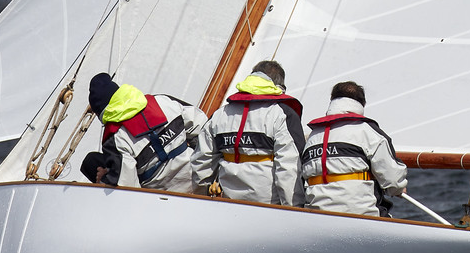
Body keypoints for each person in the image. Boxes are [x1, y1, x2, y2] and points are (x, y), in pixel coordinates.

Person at [85, 72, 215, 195]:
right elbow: (203, 128)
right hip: (201, 182)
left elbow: (127, 188)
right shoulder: (162, 101)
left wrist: (104, 180)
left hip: (165, 200)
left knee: (90, 162)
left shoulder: (115, 138)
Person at [301, 80, 408, 217]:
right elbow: (393, 179)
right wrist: (397, 188)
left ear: (332, 101)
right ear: (361, 104)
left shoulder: (312, 137)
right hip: (361, 214)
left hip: (318, 215)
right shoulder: (367, 131)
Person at [210, 60, 306, 206]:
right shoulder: (282, 114)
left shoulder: (220, 114)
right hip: (267, 207)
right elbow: (289, 168)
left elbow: (202, 161)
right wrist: (294, 209)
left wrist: (201, 196)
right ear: (280, 87)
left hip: (226, 203)